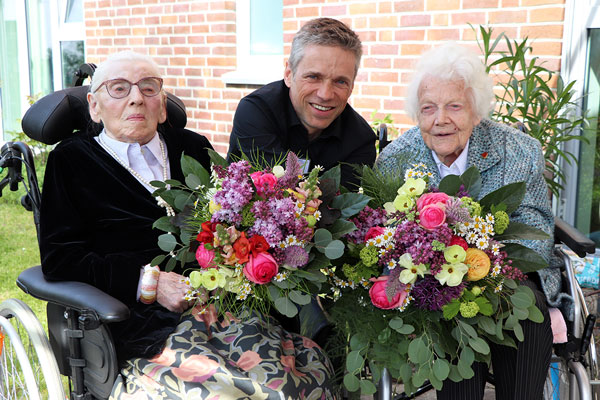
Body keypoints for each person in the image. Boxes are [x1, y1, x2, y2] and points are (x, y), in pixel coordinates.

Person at [39, 50, 334, 399]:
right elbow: (62, 258)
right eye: (119, 89)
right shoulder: (71, 161)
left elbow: (234, 221)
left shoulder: (193, 148)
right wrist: (149, 282)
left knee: (309, 370)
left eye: (149, 88)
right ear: (94, 105)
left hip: (226, 307)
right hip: (142, 325)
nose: (136, 98)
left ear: (163, 105)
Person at [376, 43, 555, 400]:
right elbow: (387, 234)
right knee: (445, 310)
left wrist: (489, 274)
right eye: (428, 108)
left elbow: (534, 226)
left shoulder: (519, 151)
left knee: (529, 310)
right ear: (417, 114)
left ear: (476, 111)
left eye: (454, 106)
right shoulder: (395, 159)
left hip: (506, 277)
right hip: (430, 286)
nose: (440, 119)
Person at [227, 17, 376, 190]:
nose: (325, 94)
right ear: (289, 74)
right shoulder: (256, 112)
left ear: (351, 87)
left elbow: (344, 208)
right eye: (313, 77)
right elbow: (277, 191)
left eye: (340, 82)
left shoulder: (360, 140)